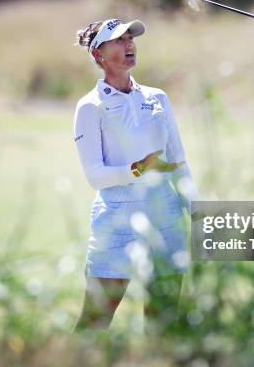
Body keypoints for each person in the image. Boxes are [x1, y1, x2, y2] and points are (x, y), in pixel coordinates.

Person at [72, 18, 198, 332]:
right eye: (118, 40)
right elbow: (95, 176)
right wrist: (139, 169)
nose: (129, 44)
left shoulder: (158, 98)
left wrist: (195, 209)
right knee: (95, 321)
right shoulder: (90, 107)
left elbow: (178, 160)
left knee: (163, 323)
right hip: (116, 220)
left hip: (165, 214)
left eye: (130, 38)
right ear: (98, 55)